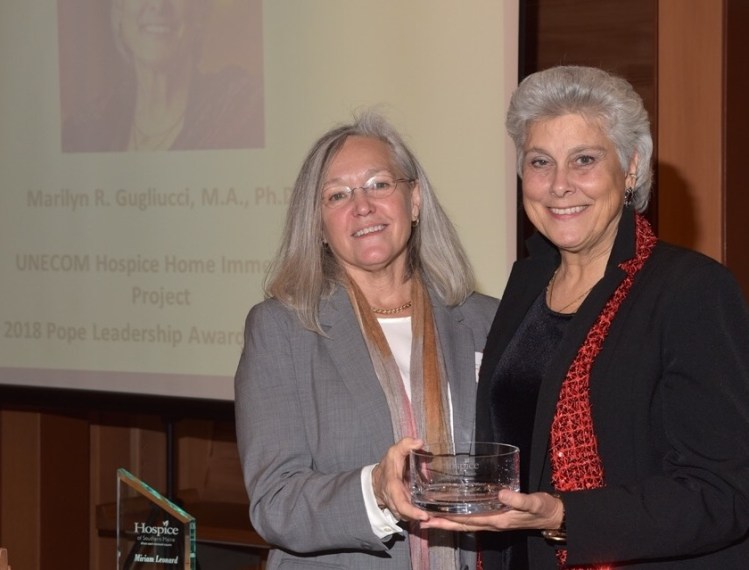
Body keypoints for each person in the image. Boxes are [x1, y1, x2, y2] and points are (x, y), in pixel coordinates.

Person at [421, 65, 749, 568]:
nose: (558, 186)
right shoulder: (527, 283)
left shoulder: (691, 290)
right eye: (540, 162)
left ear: (632, 167)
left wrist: (562, 514)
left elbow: (722, 495)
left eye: (585, 160)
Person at [234, 111, 499, 569]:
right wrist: (375, 489)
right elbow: (274, 502)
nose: (362, 206)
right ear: (317, 225)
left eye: (379, 184)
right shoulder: (281, 330)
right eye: (337, 195)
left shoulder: (484, 321)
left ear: (414, 200)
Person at [62, 0, 264, 152]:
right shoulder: (88, 127)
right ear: (119, 13)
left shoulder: (240, 108)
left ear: (200, 13)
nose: (159, 5)